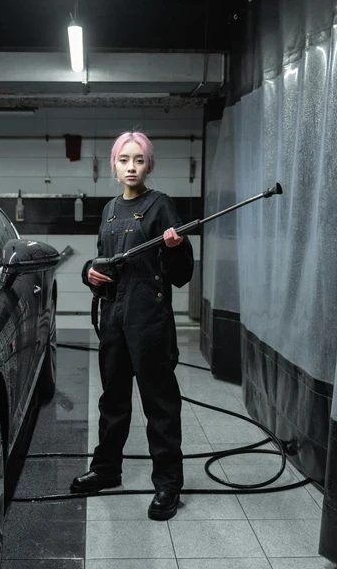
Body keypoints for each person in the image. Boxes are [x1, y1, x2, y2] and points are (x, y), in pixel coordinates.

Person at [69, 131, 193, 520]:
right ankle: (107, 470)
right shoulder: (108, 210)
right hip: (114, 321)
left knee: (159, 405)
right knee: (113, 401)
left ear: (149, 164)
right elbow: (104, 262)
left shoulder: (161, 207)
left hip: (149, 322)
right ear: (114, 164)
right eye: (125, 160)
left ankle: (168, 484)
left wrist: (177, 248)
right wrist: (89, 272)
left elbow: (181, 275)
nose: (131, 167)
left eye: (139, 160)